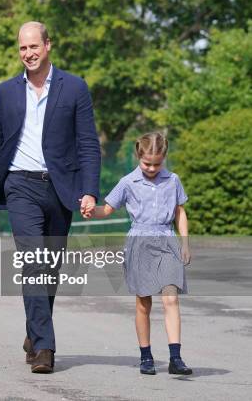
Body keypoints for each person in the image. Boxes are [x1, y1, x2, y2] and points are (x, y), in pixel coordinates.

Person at [0, 21, 101, 373]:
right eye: (22, 48)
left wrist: (90, 190)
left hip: (61, 189)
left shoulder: (75, 88)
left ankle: (35, 332)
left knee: (50, 268)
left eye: (33, 47)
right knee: (33, 262)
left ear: (48, 45)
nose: (28, 54)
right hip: (19, 186)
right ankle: (45, 347)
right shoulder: (5, 92)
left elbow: (88, 144)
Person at [89, 132, 193, 375]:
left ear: (164, 158)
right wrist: (89, 210)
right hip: (139, 242)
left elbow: (180, 212)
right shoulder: (127, 182)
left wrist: (185, 243)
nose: (152, 168)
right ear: (139, 156)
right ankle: (146, 356)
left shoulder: (173, 180)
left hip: (167, 241)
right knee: (143, 303)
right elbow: (106, 209)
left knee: (171, 298)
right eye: (147, 163)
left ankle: (175, 358)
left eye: (157, 163)